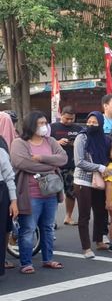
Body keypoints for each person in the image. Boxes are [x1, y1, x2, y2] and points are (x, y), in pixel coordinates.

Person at [10, 111, 68, 273]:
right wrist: (51, 165)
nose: (44, 126)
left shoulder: (50, 141)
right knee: (28, 229)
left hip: (50, 193)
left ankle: (48, 259)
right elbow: (23, 163)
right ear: (31, 125)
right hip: (30, 195)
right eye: (40, 123)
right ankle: (26, 262)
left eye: (45, 123)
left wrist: (41, 158)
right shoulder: (19, 143)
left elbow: (63, 159)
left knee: (48, 227)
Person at [73, 111, 112, 257]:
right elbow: (79, 162)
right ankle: (86, 247)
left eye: (95, 122)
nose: (91, 124)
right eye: (89, 122)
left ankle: (99, 239)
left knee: (101, 211)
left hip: (100, 179)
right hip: (83, 180)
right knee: (84, 215)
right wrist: (99, 167)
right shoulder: (81, 137)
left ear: (101, 124)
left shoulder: (104, 138)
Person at [49, 106, 83, 226]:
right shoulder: (52, 127)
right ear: (61, 115)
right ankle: (51, 220)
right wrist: (57, 143)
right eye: (67, 118)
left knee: (71, 192)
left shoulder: (79, 128)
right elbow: (44, 143)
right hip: (55, 165)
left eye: (72, 119)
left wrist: (75, 143)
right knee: (53, 192)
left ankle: (68, 216)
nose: (69, 121)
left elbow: (84, 143)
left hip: (71, 164)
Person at [0, 140, 18, 277]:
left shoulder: (1, 152)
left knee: (1, 231)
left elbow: (9, 178)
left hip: (2, 191)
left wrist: (13, 201)